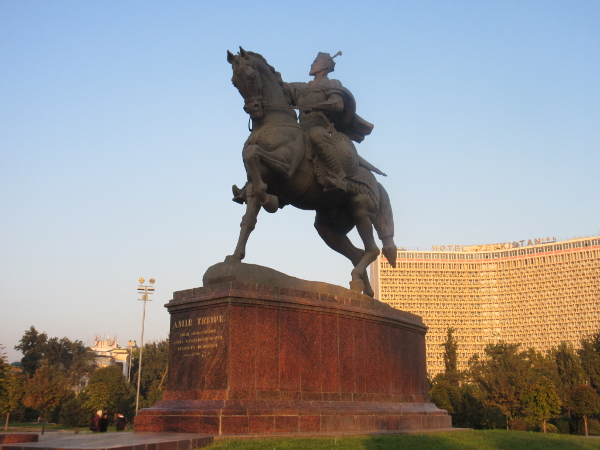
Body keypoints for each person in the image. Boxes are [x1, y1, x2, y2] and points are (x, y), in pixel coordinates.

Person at [284, 52, 374, 193]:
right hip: (300, 128)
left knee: (317, 135)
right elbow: (281, 88)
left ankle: (337, 176)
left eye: (316, 61)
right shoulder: (301, 88)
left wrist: (315, 106)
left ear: (325, 65)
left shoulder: (332, 83)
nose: (312, 64)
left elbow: (338, 104)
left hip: (321, 127)